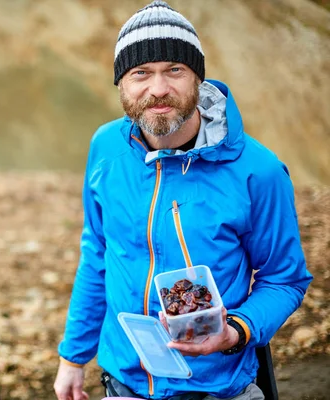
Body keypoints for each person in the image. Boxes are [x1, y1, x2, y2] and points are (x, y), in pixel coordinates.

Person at [53, 1, 313, 399]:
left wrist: (235, 331)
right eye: (141, 73)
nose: (158, 89)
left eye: (175, 70)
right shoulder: (105, 147)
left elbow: (285, 279)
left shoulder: (258, 171)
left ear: (198, 79)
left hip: (219, 389)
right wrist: (73, 357)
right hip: (122, 384)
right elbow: (98, 253)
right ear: (121, 83)